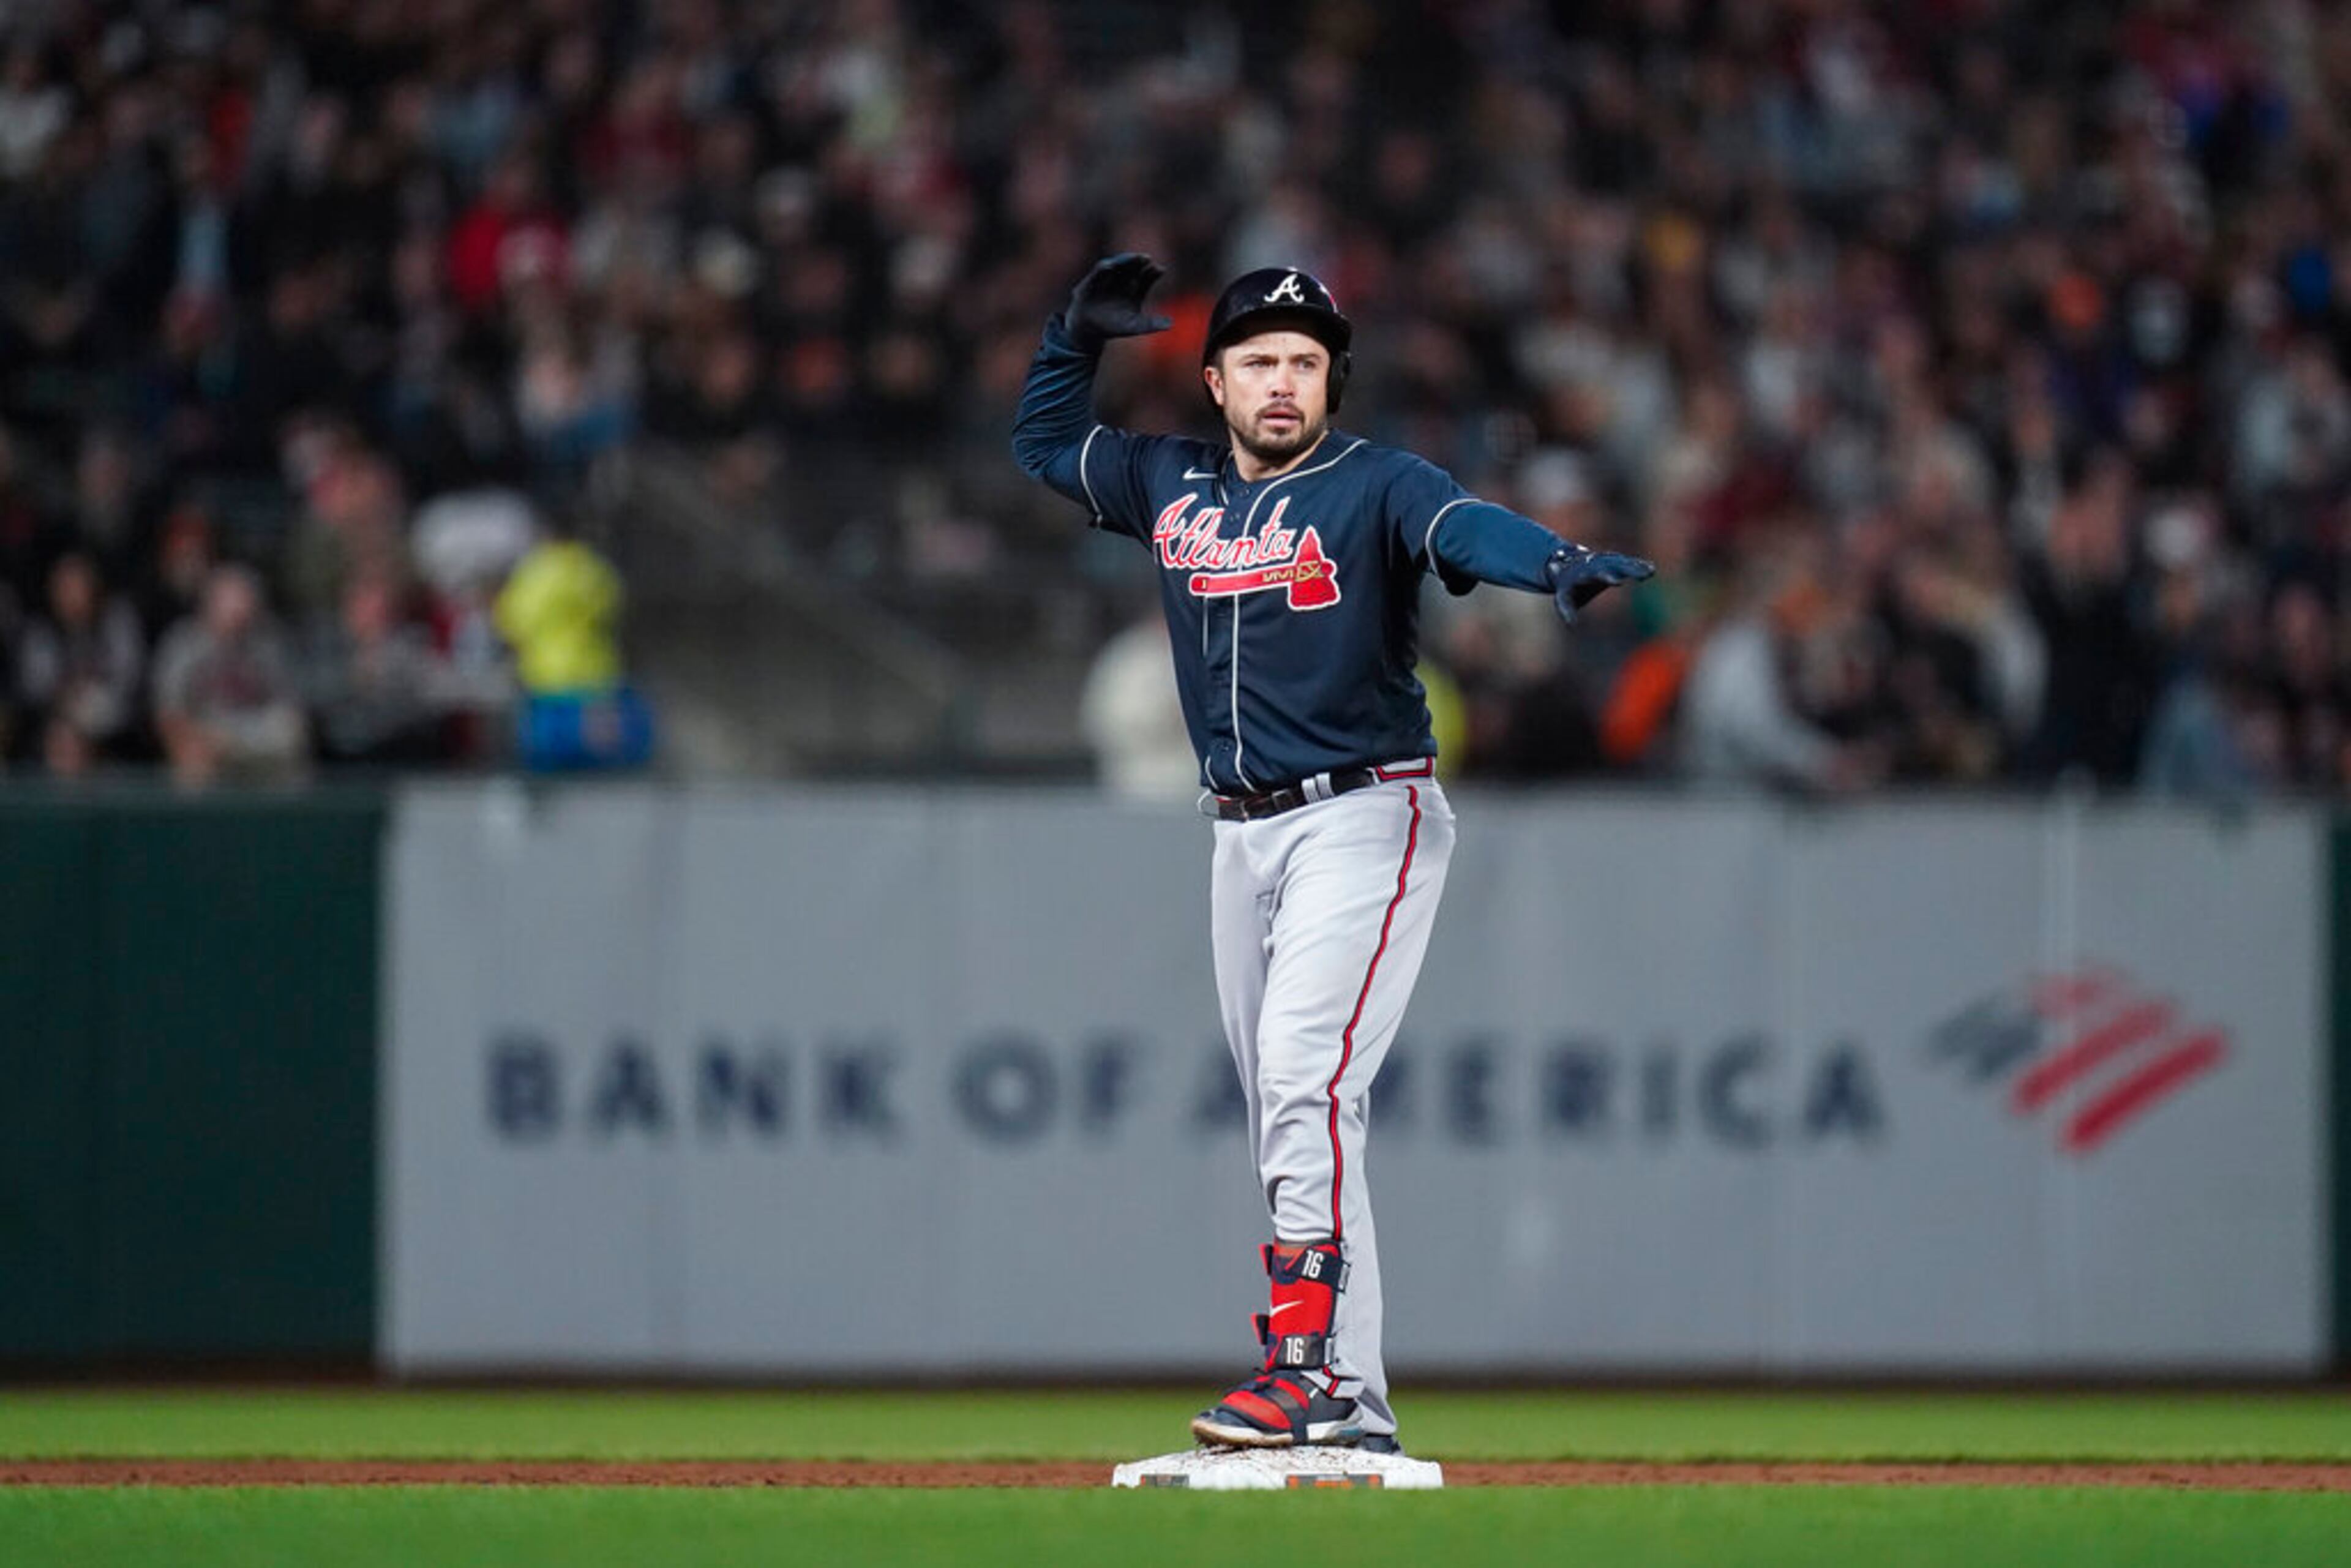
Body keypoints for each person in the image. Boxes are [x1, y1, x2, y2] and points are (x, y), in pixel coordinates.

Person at [1013, 254, 1651, 1454]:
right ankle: (1351, 1402)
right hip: (1238, 834)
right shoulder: (1170, 480)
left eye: (1305, 361)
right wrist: (1070, 341)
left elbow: (1464, 526)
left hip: (1364, 812)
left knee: (1306, 1077)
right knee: (1296, 1110)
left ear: (1330, 383)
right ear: (1213, 379)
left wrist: (1553, 563)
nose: (1282, 379)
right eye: (1258, 358)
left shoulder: (1376, 484)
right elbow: (1045, 447)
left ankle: (1301, 1365)